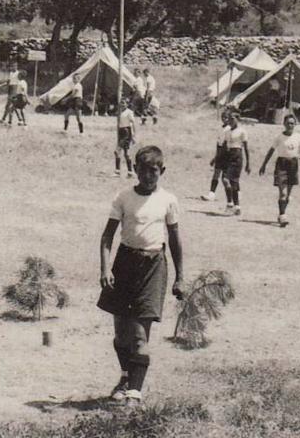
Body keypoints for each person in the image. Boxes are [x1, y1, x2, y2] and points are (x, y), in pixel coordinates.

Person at [97, 145, 184, 408]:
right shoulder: (123, 197)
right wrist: (104, 269)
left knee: (138, 335)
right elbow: (107, 237)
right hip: (124, 265)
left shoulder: (168, 200)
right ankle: (125, 377)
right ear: (135, 170)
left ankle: (135, 393)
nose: (148, 176)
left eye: (154, 172)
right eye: (144, 171)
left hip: (153, 266)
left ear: (162, 171)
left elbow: (175, 241)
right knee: (121, 334)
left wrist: (180, 277)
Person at [259, 114, 300, 226]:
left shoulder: (298, 136)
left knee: (288, 195)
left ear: (295, 124)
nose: (290, 125)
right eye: (288, 123)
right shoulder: (279, 137)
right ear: (284, 124)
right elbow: (271, 151)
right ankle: (283, 215)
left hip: (293, 165)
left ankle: (282, 214)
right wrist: (264, 164)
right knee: (283, 193)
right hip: (282, 164)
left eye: (292, 123)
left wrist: (299, 156)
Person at [222, 112, 250, 215]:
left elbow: (246, 147)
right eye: (229, 119)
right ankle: (230, 203)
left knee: (233, 182)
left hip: (237, 156)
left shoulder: (242, 131)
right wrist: (216, 159)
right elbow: (224, 145)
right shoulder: (227, 132)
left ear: (238, 119)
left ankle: (236, 206)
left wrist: (248, 163)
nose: (230, 120)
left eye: (232, 118)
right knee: (225, 180)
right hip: (228, 156)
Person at [201, 111, 230, 202]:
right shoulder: (221, 128)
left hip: (226, 153)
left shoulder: (229, 129)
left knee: (225, 177)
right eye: (223, 117)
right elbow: (218, 143)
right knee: (216, 173)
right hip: (220, 153)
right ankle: (211, 194)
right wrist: (216, 156)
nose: (224, 119)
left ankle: (233, 195)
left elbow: (225, 144)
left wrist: (218, 156)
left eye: (226, 117)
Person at [115, 100, 138, 178]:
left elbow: (132, 124)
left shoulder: (129, 112)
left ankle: (118, 172)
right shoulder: (120, 112)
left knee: (117, 151)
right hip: (121, 132)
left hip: (126, 133)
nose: (122, 105)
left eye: (124, 103)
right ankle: (129, 172)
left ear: (127, 104)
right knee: (126, 154)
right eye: (121, 103)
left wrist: (134, 135)